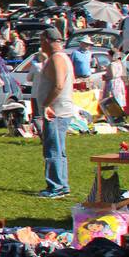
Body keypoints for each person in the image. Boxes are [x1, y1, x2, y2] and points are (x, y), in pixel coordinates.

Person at [37, 27, 76, 198]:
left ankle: (56, 186)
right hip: (58, 110)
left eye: (40, 40)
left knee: (53, 149)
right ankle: (62, 184)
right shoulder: (58, 57)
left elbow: (58, 85)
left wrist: (46, 104)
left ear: (46, 40)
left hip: (56, 112)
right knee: (58, 149)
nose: (40, 44)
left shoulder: (57, 59)